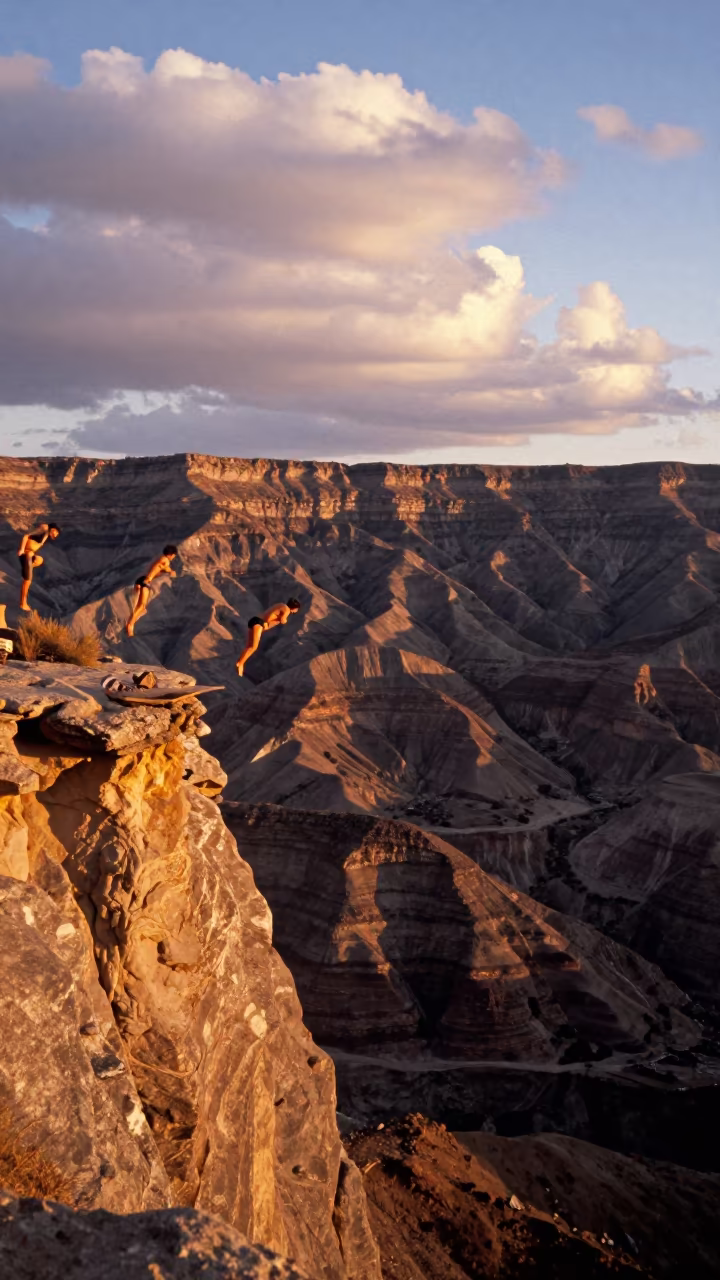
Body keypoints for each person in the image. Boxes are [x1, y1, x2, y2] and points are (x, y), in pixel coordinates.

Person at [236, 597, 301, 677]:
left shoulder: (281, 604)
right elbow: (280, 619)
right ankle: (240, 664)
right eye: (297, 609)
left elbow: (273, 613)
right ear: (294, 608)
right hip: (260, 623)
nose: (296, 611)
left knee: (249, 646)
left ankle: (240, 661)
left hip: (255, 620)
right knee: (253, 647)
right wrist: (284, 620)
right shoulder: (286, 610)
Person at [125, 545, 179, 636]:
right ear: (171, 554)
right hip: (146, 582)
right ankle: (130, 625)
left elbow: (156, 569)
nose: (173, 558)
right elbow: (165, 567)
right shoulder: (165, 560)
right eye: (174, 556)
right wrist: (171, 572)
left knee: (139, 607)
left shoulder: (159, 558)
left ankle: (130, 624)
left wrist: (167, 571)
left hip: (141, 579)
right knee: (142, 606)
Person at [18, 522, 61, 611]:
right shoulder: (44, 528)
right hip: (27, 554)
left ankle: (28, 568)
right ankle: (23, 603)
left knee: (40, 560)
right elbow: (26, 536)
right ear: (54, 529)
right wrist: (22, 549)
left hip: (31, 555)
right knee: (27, 581)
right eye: (56, 533)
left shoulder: (46, 534)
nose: (55, 536)